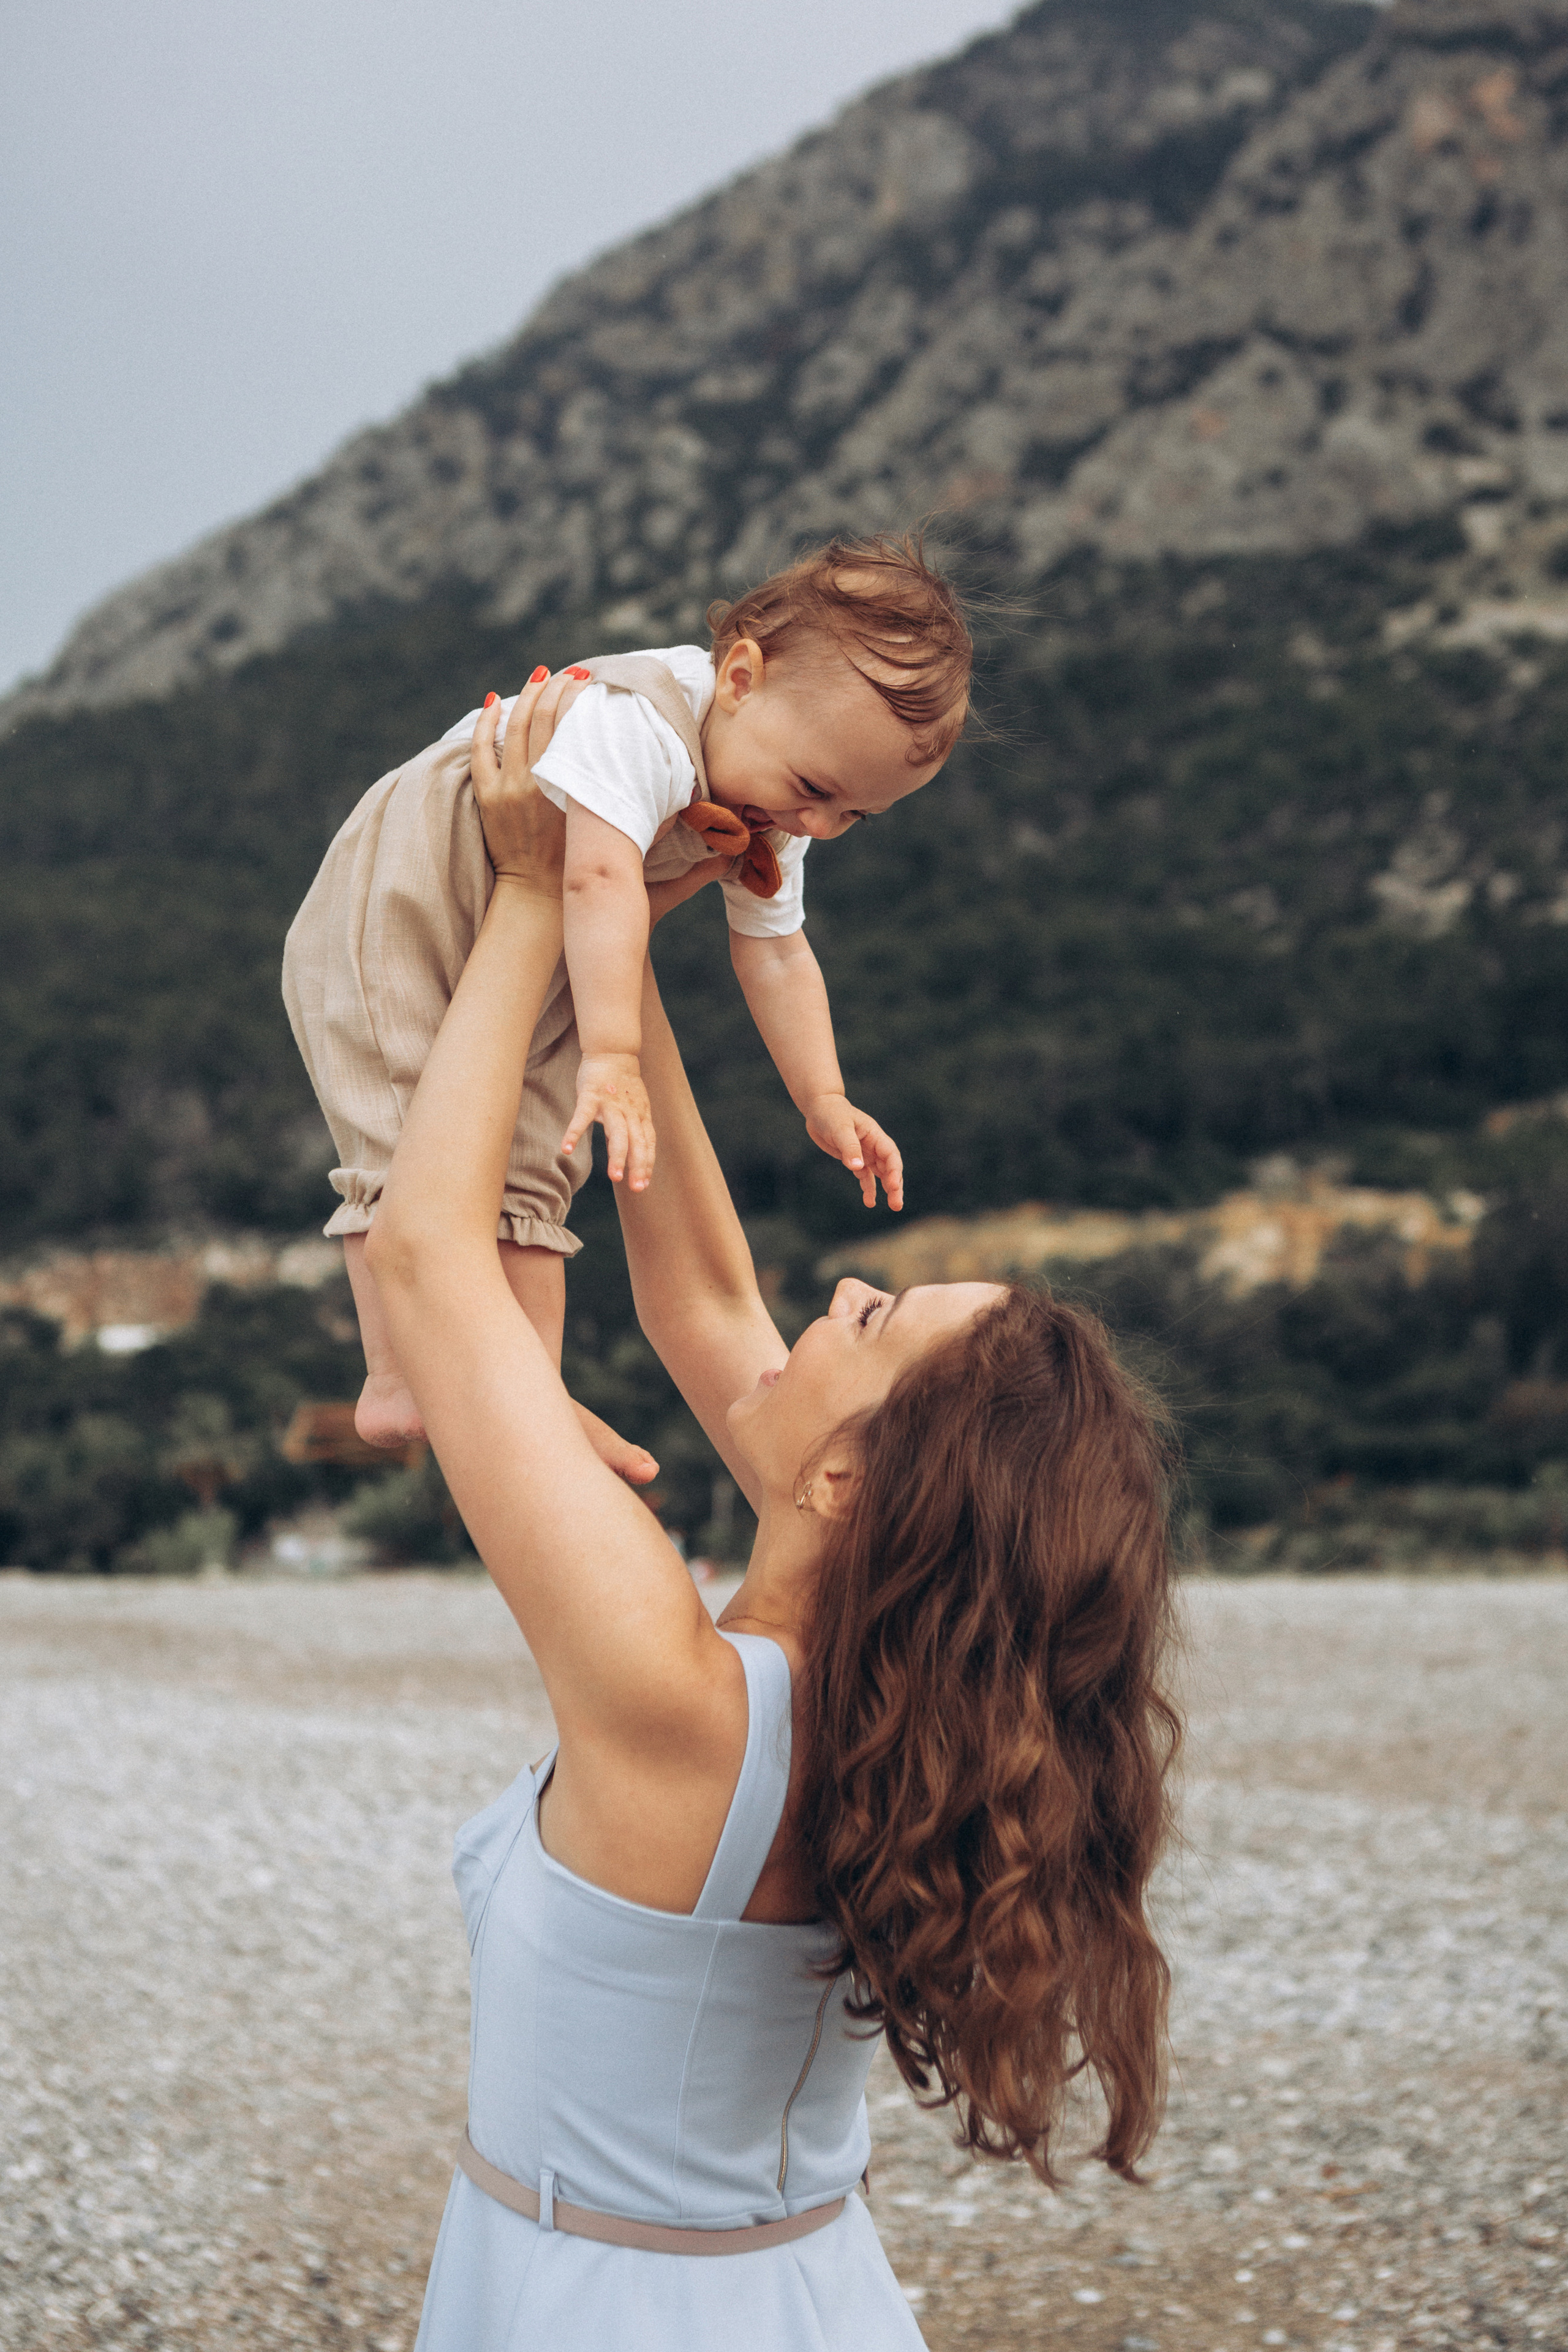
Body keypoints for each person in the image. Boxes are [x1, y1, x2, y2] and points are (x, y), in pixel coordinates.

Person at [367, 669, 1181, 2352]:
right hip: (801, 2289)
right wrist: (624, 927)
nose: (847, 1290)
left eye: (876, 1324)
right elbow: (698, 1292)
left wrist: (529, 891)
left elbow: (430, 1259)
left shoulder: (686, 1707)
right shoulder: (894, 1692)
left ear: (848, 1480)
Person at [283, 533, 973, 1462]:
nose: (817, 825)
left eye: (853, 815)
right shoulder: (637, 726)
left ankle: (525, 1385)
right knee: (407, 1129)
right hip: (404, 900)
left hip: (526, 929)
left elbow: (775, 951)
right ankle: (395, 1378)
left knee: (537, 1161)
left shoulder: (776, 789)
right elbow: (594, 882)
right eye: (813, 791)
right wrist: (609, 1056)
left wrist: (824, 1095)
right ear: (739, 678)